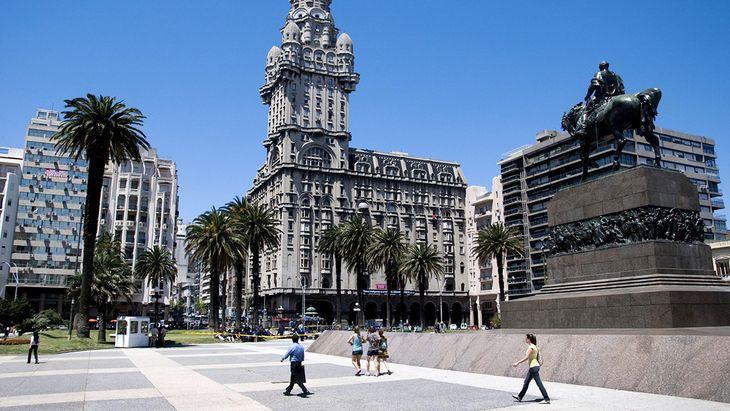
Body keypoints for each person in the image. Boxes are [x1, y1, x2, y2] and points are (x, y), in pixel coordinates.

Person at [575, 60, 625, 136]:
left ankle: (583, 127)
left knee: (585, 110)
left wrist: (587, 96)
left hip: (602, 98)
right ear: (607, 66)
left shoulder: (599, 74)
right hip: (616, 97)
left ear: (600, 67)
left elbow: (594, 85)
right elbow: (622, 88)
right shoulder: (616, 76)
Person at [512, 333, 550, 405]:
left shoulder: (531, 347)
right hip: (534, 367)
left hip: (533, 367)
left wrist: (517, 363)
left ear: (529, 339)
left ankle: (546, 398)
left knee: (539, 384)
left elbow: (527, 357)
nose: (525, 339)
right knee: (526, 382)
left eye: (526, 338)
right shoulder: (535, 346)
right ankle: (520, 396)